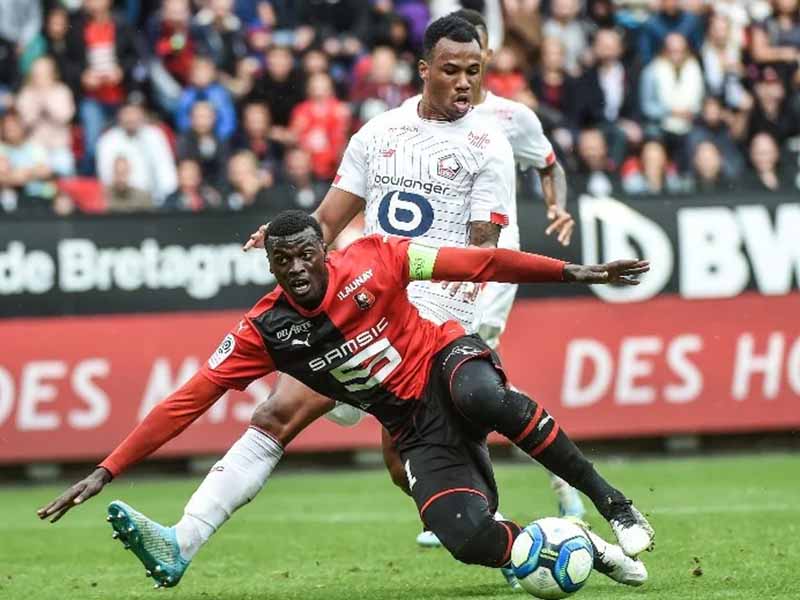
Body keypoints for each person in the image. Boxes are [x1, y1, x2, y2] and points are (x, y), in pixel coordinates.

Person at [38, 14, 576, 591]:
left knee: (409, 466)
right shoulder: (378, 134)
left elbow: (482, 251)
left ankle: (531, 534)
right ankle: (182, 540)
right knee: (278, 414)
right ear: (424, 70)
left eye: (474, 68)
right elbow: (325, 221)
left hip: (427, 325)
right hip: (362, 301)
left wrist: (472, 307)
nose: (464, 80)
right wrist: (289, 234)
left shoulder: (496, 134)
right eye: (452, 69)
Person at [38, 210, 654, 592]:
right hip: (412, 428)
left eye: (306, 254)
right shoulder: (265, 330)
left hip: (445, 363)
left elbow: (482, 261)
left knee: (483, 394)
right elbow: (186, 401)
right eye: (283, 260)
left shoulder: (378, 258)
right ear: (270, 266)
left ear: (325, 251)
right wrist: (107, 469)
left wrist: (576, 272)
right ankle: (572, 545)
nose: (297, 267)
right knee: (467, 538)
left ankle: (615, 506)